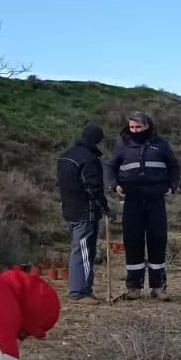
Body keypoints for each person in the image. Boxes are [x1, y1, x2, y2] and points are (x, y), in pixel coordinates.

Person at [105, 110, 179, 300]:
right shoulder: (123, 144)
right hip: (132, 200)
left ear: (147, 126)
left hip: (155, 200)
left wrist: (172, 185)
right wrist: (114, 185)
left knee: (157, 241)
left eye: (139, 127)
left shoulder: (160, 144)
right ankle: (134, 288)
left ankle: (159, 287)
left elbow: (174, 166)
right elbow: (111, 166)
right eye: (132, 127)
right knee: (133, 242)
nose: (135, 131)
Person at [58, 123, 114, 302]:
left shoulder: (66, 156)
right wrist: (105, 209)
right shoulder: (89, 159)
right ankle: (79, 292)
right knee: (83, 251)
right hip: (85, 211)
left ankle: (84, 289)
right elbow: (93, 188)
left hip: (70, 209)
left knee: (79, 249)